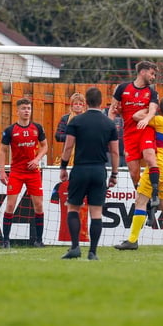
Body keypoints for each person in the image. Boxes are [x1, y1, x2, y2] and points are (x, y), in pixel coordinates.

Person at [114, 97, 163, 250]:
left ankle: (132, 240)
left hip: (156, 167)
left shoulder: (159, 121)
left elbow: (136, 117)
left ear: (159, 110)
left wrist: (149, 110)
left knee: (140, 202)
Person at [59, 87, 120, 260]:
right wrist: (114, 174)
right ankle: (93, 252)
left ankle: (75, 247)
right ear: (101, 102)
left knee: (73, 208)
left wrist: (63, 167)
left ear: (85, 102)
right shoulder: (109, 124)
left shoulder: (76, 121)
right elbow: (115, 152)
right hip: (99, 170)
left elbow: (68, 146)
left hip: (80, 169)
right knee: (96, 212)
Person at [108, 60, 160, 205]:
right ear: (142, 72)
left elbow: (153, 110)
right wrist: (108, 127)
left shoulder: (152, 92)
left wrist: (146, 119)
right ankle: (146, 200)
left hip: (146, 130)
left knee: (150, 157)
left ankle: (155, 193)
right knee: (133, 173)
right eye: (151, 73)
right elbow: (113, 110)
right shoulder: (122, 88)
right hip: (129, 134)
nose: (153, 77)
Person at [0, 98, 48, 249]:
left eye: (29, 108)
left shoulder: (37, 128)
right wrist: (2, 171)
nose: (27, 111)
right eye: (24, 108)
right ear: (17, 111)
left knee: (38, 205)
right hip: (17, 172)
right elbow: (2, 150)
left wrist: (37, 159)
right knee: (10, 205)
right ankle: (5, 241)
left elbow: (45, 146)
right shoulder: (10, 130)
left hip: (33, 173)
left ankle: (39, 241)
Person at [53, 92, 89, 244]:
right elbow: (58, 136)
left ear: (84, 105)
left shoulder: (88, 119)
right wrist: (71, 136)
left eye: (81, 104)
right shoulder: (65, 119)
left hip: (84, 156)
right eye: (76, 104)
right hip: (69, 156)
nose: (78, 106)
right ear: (71, 105)